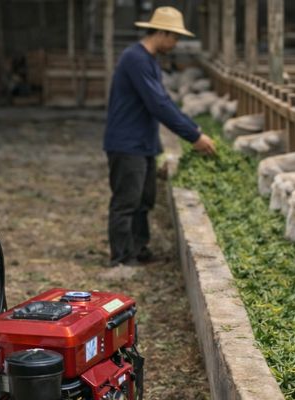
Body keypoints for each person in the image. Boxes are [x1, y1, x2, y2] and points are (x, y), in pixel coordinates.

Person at [103, 6, 216, 267]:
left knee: (144, 198)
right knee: (126, 201)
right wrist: (193, 136)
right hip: (126, 142)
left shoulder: (150, 59)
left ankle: (139, 248)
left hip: (143, 141)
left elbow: (163, 100)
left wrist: (194, 129)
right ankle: (121, 258)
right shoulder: (136, 59)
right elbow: (158, 105)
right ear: (162, 33)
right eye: (174, 37)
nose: (176, 43)